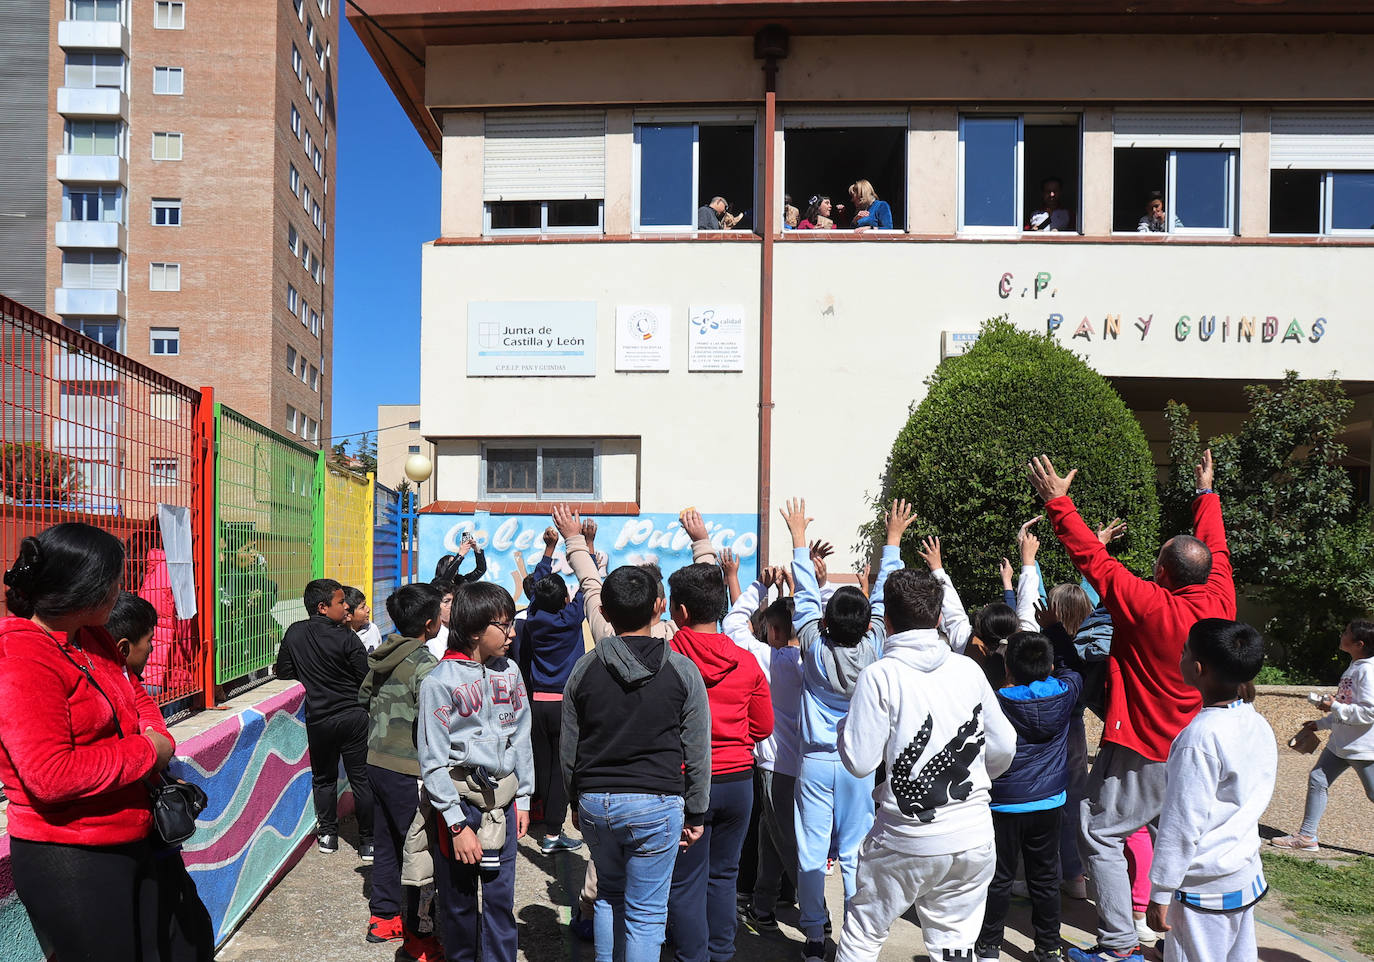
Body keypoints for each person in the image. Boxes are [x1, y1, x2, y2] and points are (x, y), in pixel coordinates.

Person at [1028, 450, 1236, 962]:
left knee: (1098, 830)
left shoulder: (1148, 605)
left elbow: (1092, 561)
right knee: (1182, 841)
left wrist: (1058, 502)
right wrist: (1206, 494)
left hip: (1145, 746)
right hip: (1199, 745)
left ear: (1162, 572)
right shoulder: (1220, 600)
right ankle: (1183, 940)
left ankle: (1119, 945)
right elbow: (1216, 547)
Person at [0, 523, 177, 962]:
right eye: (116, 580)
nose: (122, 589)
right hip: (70, 854)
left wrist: (156, 732)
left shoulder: (90, 635)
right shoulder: (23, 657)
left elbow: (132, 691)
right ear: (87, 589)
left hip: (131, 834)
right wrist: (149, 750)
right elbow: (51, 775)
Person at [833, 569, 1016, 962]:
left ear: (888, 621)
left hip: (905, 835)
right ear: (937, 619)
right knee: (954, 944)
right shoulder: (969, 670)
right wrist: (980, 781)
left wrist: (844, 729)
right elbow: (1004, 746)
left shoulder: (880, 676)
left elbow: (859, 762)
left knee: (863, 935)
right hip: (972, 833)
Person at [782, 497, 912, 962]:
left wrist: (798, 540)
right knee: (856, 852)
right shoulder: (877, 644)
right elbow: (883, 595)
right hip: (860, 763)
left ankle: (815, 939)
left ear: (826, 620)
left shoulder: (814, 646)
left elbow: (801, 597)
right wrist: (892, 539)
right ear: (867, 625)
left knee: (812, 853)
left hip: (815, 762)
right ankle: (857, 938)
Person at [561, 565, 712, 962]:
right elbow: (697, 749)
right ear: (659, 606)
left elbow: (569, 747)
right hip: (657, 804)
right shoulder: (682, 671)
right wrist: (697, 810)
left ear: (605, 613)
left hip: (596, 802)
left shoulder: (583, 669)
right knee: (646, 915)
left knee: (609, 895)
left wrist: (575, 801)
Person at [1145, 619, 1276, 962]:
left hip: (1203, 888)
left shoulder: (1199, 739)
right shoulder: (1255, 722)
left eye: (1185, 650)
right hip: (1243, 874)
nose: (1182, 655)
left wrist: (1160, 892)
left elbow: (1181, 824)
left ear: (1198, 668)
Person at [418, 581, 533, 962]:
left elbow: (522, 735)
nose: (513, 633)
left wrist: (524, 797)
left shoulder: (511, 672)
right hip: (460, 809)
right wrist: (455, 823)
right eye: (504, 625)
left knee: (501, 904)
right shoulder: (439, 682)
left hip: (502, 804)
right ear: (473, 630)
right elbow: (432, 761)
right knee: (459, 906)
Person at [666, 562, 774, 962]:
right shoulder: (747, 661)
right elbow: (763, 727)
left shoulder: (668, 658)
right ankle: (722, 952)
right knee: (724, 876)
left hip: (686, 782)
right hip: (738, 783)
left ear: (681, 612)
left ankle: (692, 955)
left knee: (687, 880)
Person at [108, 591, 216, 962]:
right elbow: (153, 742)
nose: (155, 650)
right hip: (135, 841)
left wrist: (156, 745)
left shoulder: (128, 682)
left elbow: (155, 725)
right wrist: (156, 750)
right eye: (150, 641)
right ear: (123, 647)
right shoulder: (108, 689)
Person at [976, 631, 1082, 962]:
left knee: (999, 875)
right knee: (1046, 876)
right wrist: (1054, 631)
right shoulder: (1065, 693)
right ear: (1049, 665)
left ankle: (989, 944)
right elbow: (1074, 668)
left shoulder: (996, 701)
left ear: (1007, 667)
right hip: (1049, 802)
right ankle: (1049, 946)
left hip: (1003, 803)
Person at [358, 583, 443, 959]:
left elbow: (363, 698)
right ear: (429, 623)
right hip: (407, 769)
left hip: (375, 762)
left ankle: (383, 917)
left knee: (388, 841)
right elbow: (437, 718)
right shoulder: (425, 665)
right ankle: (420, 937)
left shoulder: (382, 653)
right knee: (418, 851)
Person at [720, 563, 805, 933]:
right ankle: (764, 903)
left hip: (776, 765)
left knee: (788, 842)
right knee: (772, 836)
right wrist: (807, 586)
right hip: (809, 764)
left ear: (772, 631)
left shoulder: (768, 659)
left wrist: (759, 585)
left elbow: (733, 625)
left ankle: (817, 914)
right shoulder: (814, 659)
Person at [274, 577, 375, 859]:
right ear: (322, 607)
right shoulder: (347, 637)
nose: (346, 607)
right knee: (361, 779)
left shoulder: (294, 634)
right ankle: (368, 842)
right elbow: (365, 677)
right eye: (341, 602)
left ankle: (328, 835)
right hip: (354, 718)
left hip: (319, 720)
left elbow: (283, 671)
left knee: (323, 778)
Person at [1272, 619, 1374, 852]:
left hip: (1362, 748)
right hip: (1340, 744)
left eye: (1347, 632)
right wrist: (1320, 723)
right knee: (1318, 779)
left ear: (1359, 643)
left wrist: (1334, 706)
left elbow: (1369, 713)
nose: (1342, 634)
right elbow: (1346, 707)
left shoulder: (1368, 671)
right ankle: (1307, 837)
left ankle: (1306, 836)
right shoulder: (1354, 666)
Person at [518, 531, 588, 855]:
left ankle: (544, 821)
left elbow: (539, 583)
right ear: (564, 600)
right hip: (564, 705)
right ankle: (551, 834)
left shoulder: (533, 617)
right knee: (562, 772)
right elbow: (589, 587)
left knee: (543, 766)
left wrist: (549, 548)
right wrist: (587, 545)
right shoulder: (571, 619)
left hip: (538, 705)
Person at [132, 520, 197, 697]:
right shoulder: (174, 572)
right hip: (168, 675)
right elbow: (186, 634)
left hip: (142, 670)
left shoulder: (146, 566)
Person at [344, 585, 383, 653]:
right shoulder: (342, 638)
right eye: (362, 607)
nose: (368, 609)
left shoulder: (372, 629)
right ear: (348, 615)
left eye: (365, 604)